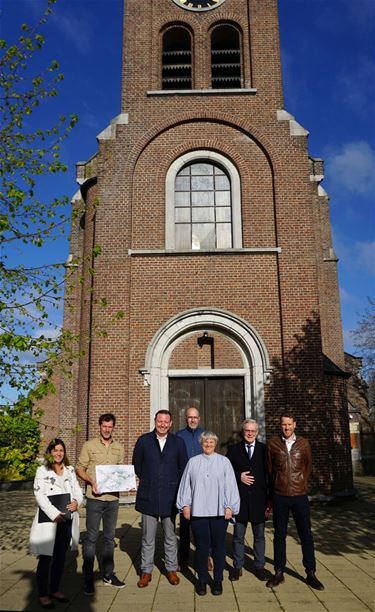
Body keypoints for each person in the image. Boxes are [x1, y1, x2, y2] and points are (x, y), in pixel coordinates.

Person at [176, 431, 240, 596]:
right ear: (201, 444)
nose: (209, 444)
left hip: (219, 512)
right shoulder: (193, 462)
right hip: (198, 512)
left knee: (219, 547)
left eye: (212, 442)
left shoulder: (224, 462)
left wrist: (230, 506)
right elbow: (186, 485)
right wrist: (185, 505)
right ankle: (202, 579)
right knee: (202, 547)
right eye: (206, 442)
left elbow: (231, 486)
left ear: (216, 444)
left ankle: (218, 580)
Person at [266, 413, 324, 591]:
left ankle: (310, 571)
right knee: (279, 535)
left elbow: (308, 466)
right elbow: (269, 469)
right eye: (284, 424)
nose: (286, 427)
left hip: (300, 496)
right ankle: (279, 571)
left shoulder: (304, 444)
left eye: (289, 424)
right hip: (280, 495)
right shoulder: (273, 443)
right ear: (280, 425)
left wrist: (300, 484)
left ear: (295, 425)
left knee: (305, 534)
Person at [132, 409, 188, 588]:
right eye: (160, 421)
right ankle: (146, 571)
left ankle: (171, 569)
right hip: (148, 496)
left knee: (170, 536)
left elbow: (183, 468)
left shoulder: (178, 443)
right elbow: (137, 466)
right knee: (148, 537)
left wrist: (172, 485)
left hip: (170, 498)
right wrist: (150, 481)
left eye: (166, 422)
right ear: (155, 421)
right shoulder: (143, 441)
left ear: (171, 424)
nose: (163, 424)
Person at [30, 438, 83, 609]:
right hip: (50, 520)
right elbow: (39, 495)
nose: (58, 453)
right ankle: (43, 594)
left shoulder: (69, 470)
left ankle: (54, 589)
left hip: (67, 520)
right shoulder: (42, 470)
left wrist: (76, 502)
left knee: (60, 557)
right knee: (46, 558)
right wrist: (54, 514)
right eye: (55, 450)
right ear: (50, 452)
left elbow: (77, 490)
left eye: (61, 450)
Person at [76, 413, 125, 595]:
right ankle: (88, 579)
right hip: (95, 499)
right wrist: (91, 481)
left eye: (110, 426)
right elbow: (79, 468)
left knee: (109, 538)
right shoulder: (89, 445)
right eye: (104, 426)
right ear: (99, 426)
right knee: (91, 539)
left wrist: (128, 481)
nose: (107, 429)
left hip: (112, 500)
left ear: (113, 427)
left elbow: (120, 472)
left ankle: (108, 575)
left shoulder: (119, 448)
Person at [226, 419, 270, 581]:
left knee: (259, 536)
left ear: (257, 432)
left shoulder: (265, 450)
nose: (250, 433)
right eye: (247, 431)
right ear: (242, 432)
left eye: (253, 431)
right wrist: (239, 476)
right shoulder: (233, 450)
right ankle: (237, 567)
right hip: (240, 500)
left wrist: (269, 501)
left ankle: (259, 566)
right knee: (238, 536)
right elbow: (226, 472)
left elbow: (269, 475)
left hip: (259, 500)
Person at [176, 405, 204, 568]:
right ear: (186, 419)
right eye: (190, 417)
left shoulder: (204, 434)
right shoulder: (179, 436)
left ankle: (205, 556)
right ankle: (184, 558)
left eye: (195, 417)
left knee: (203, 525)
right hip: (185, 485)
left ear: (199, 419)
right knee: (185, 526)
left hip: (203, 486)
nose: (192, 420)